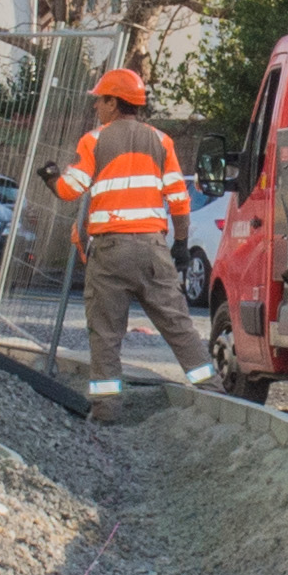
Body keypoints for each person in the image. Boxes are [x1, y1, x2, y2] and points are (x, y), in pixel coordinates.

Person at [57, 62, 198, 384]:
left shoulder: (94, 140)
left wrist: (52, 178)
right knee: (180, 328)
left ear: (114, 102)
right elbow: (178, 198)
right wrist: (181, 244)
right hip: (153, 247)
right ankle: (214, 393)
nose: (96, 105)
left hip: (110, 250)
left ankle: (106, 412)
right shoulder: (162, 141)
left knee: (106, 336)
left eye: (100, 99)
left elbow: (70, 190)